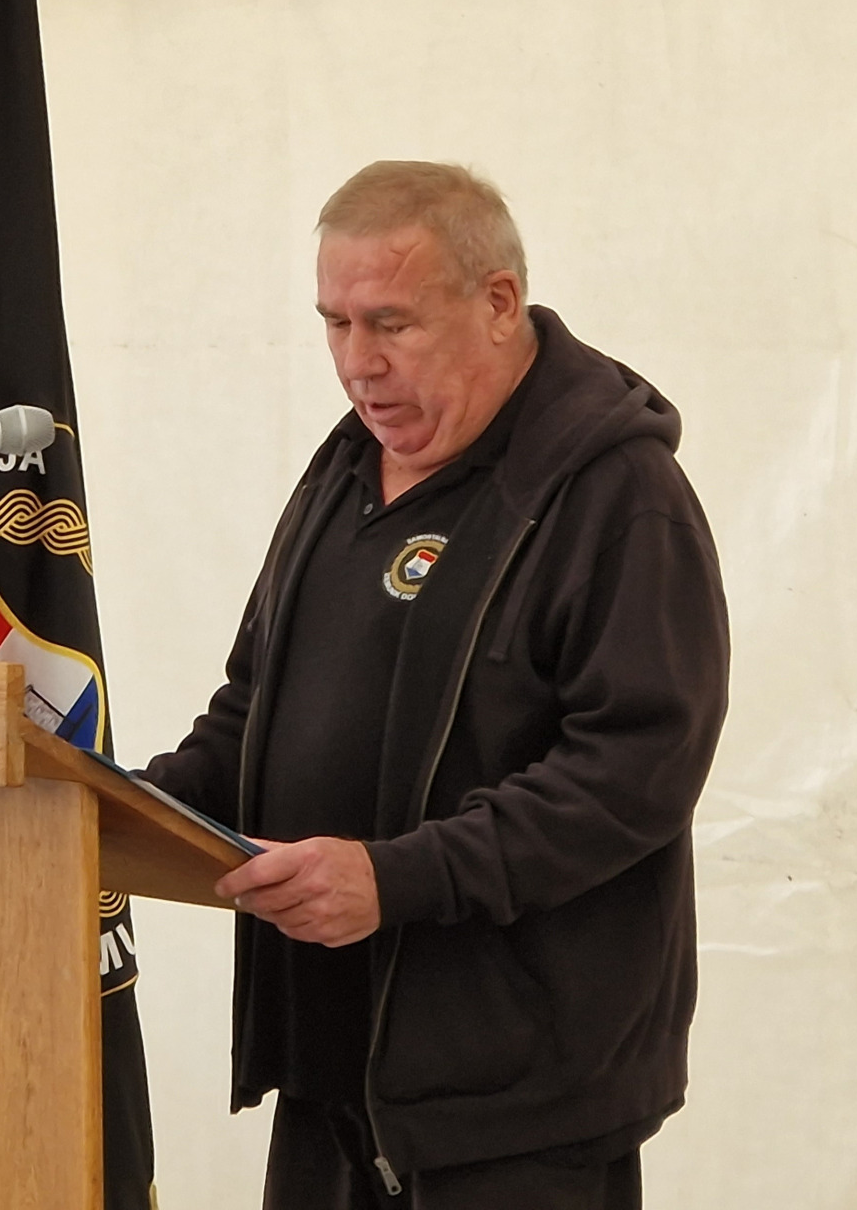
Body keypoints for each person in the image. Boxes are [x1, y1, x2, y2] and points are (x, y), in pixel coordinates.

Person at [142, 161, 728, 1210]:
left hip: (516, 1107)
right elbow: (257, 706)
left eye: (391, 324)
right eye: (335, 324)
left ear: (499, 302)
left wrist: (397, 879)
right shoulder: (342, 470)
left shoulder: (618, 495)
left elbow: (631, 775)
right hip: (331, 1074)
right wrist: (130, 807)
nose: (357, 363)